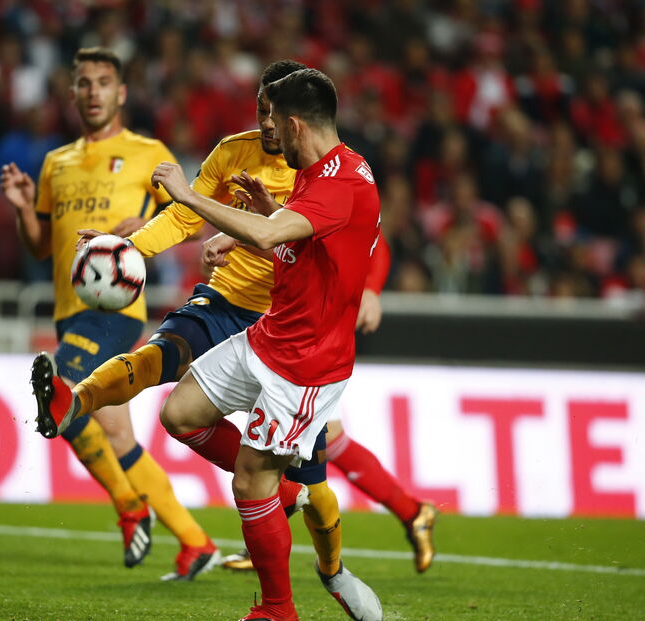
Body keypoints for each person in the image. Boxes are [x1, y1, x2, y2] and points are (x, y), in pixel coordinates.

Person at [39, 58, 436, 578]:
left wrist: (370, 290)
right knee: (163, 354)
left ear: (294, 119)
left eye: (274, 114)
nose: (267, 123)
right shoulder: (233, 152)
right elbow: (185, 216)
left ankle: (336, 559)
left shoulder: (320, 167)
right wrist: (128, 249)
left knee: (315, 472)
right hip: (226, 301)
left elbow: (362, 238)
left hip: (289, 325)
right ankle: (75, 400)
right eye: (260, 110)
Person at [1, 46, 218, 580]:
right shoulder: (56, 162)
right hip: (68, 310)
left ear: (120, 93)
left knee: (61, 395)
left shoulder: (148, 152)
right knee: (116, 437)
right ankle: (195, 542)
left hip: (116, 308)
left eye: (103, 82)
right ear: (72, 93)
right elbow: (41, 246)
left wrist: (140, 230)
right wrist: (25, 210)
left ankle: (128, 507)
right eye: (84, 82)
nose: (93, 91)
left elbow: (188, 215)